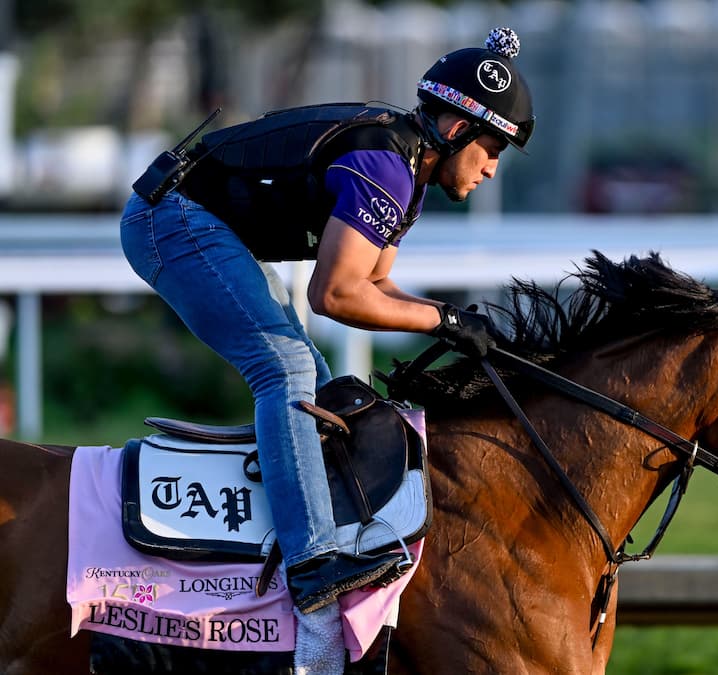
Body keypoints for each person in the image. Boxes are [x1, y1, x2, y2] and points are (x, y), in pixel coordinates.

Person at [120, 27, 535, 615]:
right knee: (285, 369)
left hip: (206, 224)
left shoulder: (407, 170)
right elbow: (334, 295)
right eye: (492, 149)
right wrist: (442, 320)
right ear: (457, 128)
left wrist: (455, 322)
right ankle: (312, 561)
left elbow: (375, 285)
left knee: (311, 380)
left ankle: (310, 528)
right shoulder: (387, 165)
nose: (492, 169)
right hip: (171, 217)